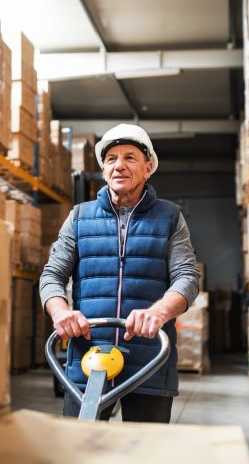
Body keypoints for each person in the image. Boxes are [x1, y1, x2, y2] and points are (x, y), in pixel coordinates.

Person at [40, 123, 200, 423]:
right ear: (103, 170)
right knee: (80, 450)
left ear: (148, 167)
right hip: (89, 360)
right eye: (111, 158)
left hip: (150, 362)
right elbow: (52, 275)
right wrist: (60, 312)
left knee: (143, 451)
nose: (119, 165)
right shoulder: (79, 217)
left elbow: (187, 277)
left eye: (130, 157)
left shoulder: (170, 217)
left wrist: (159, 312)